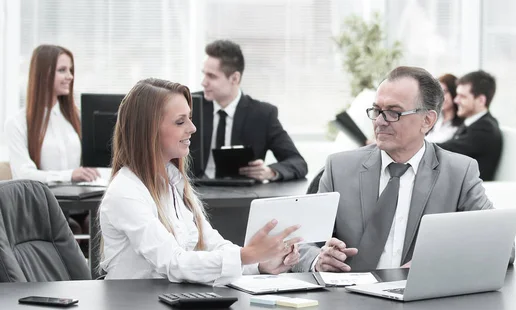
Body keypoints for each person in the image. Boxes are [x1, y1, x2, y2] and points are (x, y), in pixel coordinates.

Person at [293, 66, 514, 273]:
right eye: (377, 110)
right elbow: (299, 243)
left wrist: (437, 260)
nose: (380, 121)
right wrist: (317, 260)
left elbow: (504, 246)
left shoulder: (459, 172)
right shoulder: (338, 168)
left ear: (427, 120)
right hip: (347, 297)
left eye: (393, 112)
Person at [99, 78, 302, 284]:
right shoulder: (125, 192)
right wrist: (247, 255)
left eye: (190, 118)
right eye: (180, 121)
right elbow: (173, 263)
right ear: (148, 130)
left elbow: (212, 245)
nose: (192, 127)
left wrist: (259, 263)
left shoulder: (173, 182)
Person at [4, 44, 100, 235]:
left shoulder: (78, 118)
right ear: (44, 74)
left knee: (99, 223)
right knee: (69, 227)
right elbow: (24, 174)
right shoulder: (17, 123)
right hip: (43, 208)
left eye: (71, 70)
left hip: (81, 205)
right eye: (62, 70)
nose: (70, 76)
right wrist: (69, 175)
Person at [193, 39, 307, 181]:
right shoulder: (189, 106)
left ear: (234, 78)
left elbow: (298, 162)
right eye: (204, 74)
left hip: (241, 197)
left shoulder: (263, 114)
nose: (203, 82)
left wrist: (269, 172)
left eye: (211, 76)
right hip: (194, 194)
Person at [437, 70, 502, 181]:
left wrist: (412, 146)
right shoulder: (473, 124)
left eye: (462, 96)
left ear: (481, 100)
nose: (456, 100)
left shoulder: (485, 128)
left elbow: (446, 150)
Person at [425, 74, 463, 143]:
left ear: (454, 93)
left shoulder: (462, 125)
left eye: (444, 92)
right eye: (438, 93)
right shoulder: (433, 119)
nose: (440, 98)